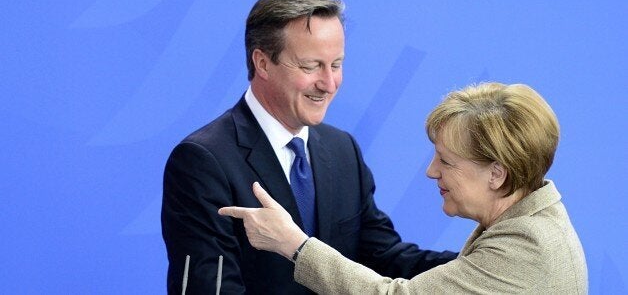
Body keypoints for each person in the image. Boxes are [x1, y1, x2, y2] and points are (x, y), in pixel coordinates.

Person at [161, 0, 456, 294]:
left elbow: (382, 258)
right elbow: (210, 288)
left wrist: (481, 269)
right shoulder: (203, 161)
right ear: (262, 63)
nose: (328, 83)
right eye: (310, 66)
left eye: (337, 64)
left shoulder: (342, 150)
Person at [220, 82, 589, 294]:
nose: (431, 171)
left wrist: (295, 245)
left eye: (446, 161)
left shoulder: (526, 245)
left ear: (497, 173)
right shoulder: (532, 222)